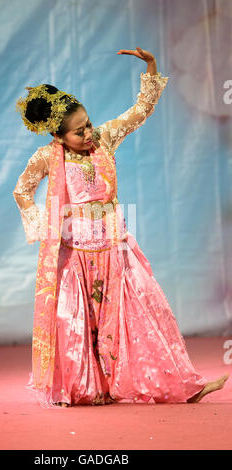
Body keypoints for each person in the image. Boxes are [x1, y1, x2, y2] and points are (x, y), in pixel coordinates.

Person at [13, 47, 229, 408]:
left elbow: (140, 112)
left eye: (88, 124)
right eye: (79, 133)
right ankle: (85, 388)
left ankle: (181, 384)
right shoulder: (49, 158)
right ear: (60, 137)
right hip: (74, 257)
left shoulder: (106, 138)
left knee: (146, 313)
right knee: (78, 325)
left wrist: (151, 68)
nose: (89, 134)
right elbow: (22, 191)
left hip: (116, 249)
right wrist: (48, 226)